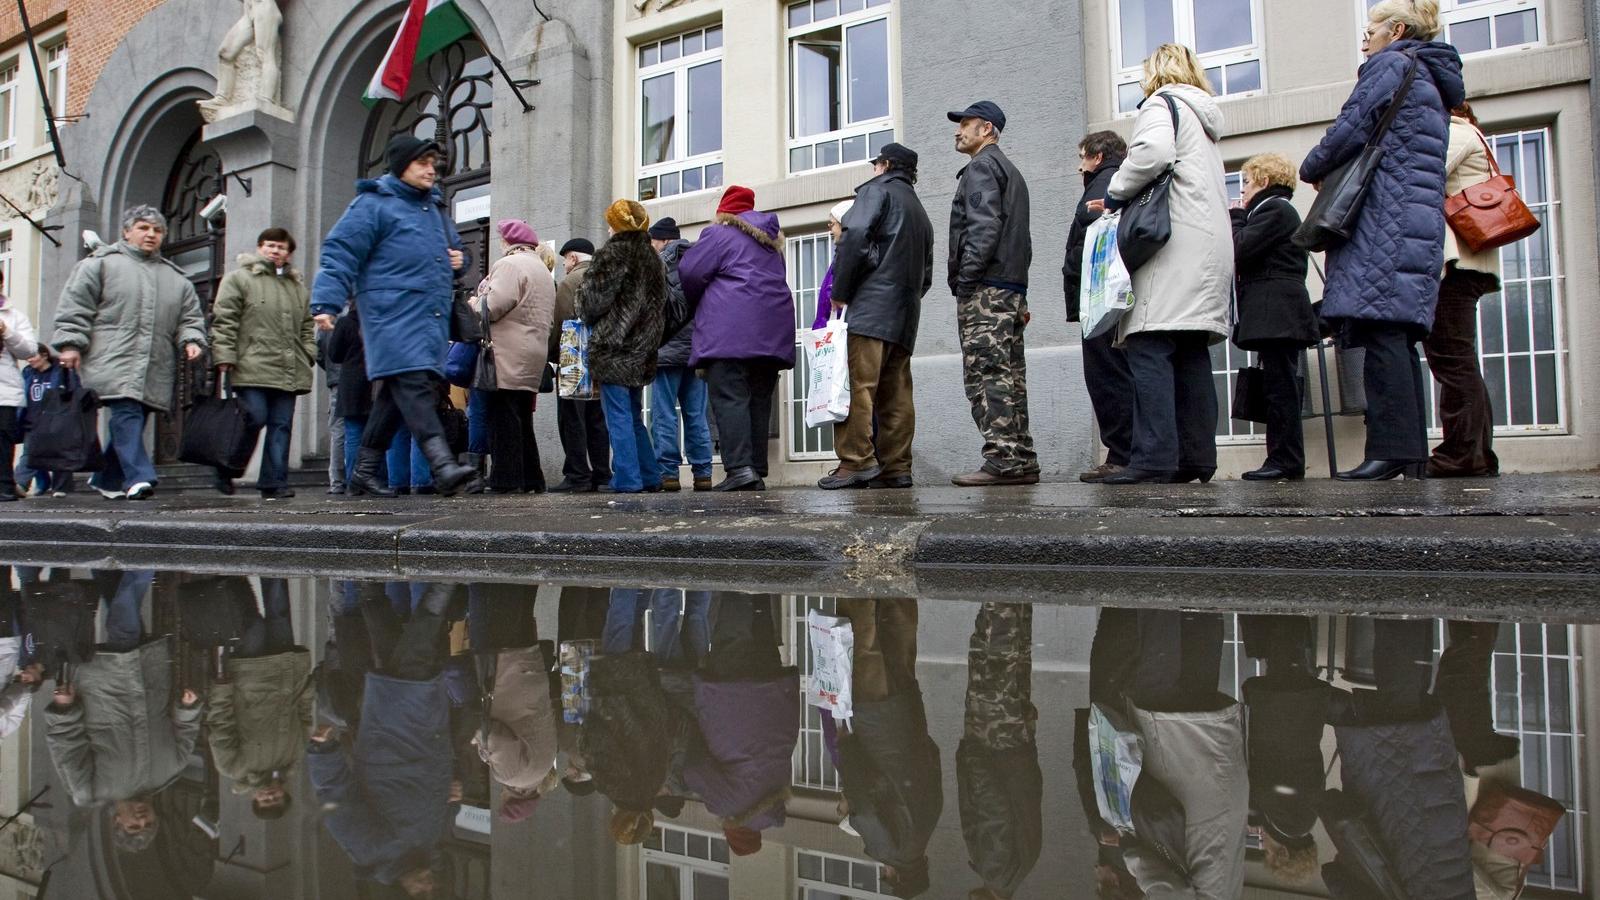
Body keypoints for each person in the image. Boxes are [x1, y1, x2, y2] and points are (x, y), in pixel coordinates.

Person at [1301, 0, 1464, 480]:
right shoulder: (1432, 78)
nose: (1364, 38)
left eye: (1370, 28)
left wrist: (1312, 167)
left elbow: (1350, 127)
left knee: (1382, 335)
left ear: (1396, 29)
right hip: (1410, 220)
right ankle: (1407, 453)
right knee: (1397, 335)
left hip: (1384, 221)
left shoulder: (1391, 64)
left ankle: (1389, 451)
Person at [310, 134, 477, 497]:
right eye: (422, 163)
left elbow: (460, 252)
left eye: (434, 163)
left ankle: (364, 472)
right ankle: (442, 465)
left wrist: (460, 260)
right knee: (415, 386)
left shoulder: (433, 209)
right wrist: (325, 302)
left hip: (428, 316)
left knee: (395, 395)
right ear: (401, 165)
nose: (431, 170)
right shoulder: (373, 204)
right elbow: (340, 252)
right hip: (389, 314)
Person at [1096, 45, 1232, 486]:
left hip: (1171, 246)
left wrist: (1116, 190)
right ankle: (1196, 457)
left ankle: (1154, 458)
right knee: (1191, 352)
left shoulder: (1161, 104)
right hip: (1208, 246)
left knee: (1149, 343)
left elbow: (1152, 154)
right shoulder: (1205, 120)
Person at [308, 581, 459, 896]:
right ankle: (369, 583)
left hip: (389, 738)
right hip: (425, 733)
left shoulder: (370, 852)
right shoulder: (429, 847)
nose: (428, 884)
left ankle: (443, 585)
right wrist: (455, 791)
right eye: (433, 888)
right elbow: (442, 803)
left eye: (421, 892)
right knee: (395, 651)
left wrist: (323, 753)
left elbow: (337, 800)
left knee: (415, 662)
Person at [52, 206, 207, 500]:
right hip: (112, 357)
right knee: (127, 413)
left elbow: (191, 318)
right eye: (143, 228)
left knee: (136, 415)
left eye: (157, 230)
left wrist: (192, 339)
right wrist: (71, 345)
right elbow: (76, 306)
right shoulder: (100, 264)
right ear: (126, 231)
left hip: (155, 364)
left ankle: (107, 479)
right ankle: (140, 476)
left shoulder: (176, 279)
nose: (151, 234)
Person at [45, 570, 202, 854]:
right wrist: (188, 708)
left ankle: (145, 555)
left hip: (105, 685)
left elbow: (66, 744)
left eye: (134, 826)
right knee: (121, 611)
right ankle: (110, 549)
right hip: (147, 676)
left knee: (124, 621)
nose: (142, 820)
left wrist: (64, 708)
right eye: (148, 824)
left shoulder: (88, 790)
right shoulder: (170, 771)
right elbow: (186, 730)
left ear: (117, 821)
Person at [819, 142, 934, 491]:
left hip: (870, 307)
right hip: (904, 311)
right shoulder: (919, 209)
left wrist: (840, 290)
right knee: (896, 393)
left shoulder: (875, 192)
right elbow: (926, 273)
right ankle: (896, 467)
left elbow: (853, 237)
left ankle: (855, 461)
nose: (872, 171)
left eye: (875, 165)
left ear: (884, 165)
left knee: (858, 386)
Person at [679, 186, 796, 492]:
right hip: (772, 331)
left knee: (730, 395)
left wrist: (696, 302)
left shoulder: (718, 234)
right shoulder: (773, 244)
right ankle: (755, 467)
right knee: (758, 398)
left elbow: (689, 273)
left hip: (730, 331)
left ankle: (740, 469)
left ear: (725, 213)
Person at [946, 101, 1038, 488]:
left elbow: (982, 230)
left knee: (987, 375)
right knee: (1010, 375)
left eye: (965, 124)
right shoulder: (1009, 171)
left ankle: (1003, 458)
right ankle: (1020, 459)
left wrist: (967, 283)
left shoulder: (982, 168)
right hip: (1010, 288)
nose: (957, 131)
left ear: (987, 129)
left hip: (988, 290)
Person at [835, 599, 941, 898]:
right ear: (896, 876)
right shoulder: (888, 849)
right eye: (887, 876)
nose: (884, 871)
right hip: (877, 727)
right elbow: (864, 805)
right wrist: (847, 747)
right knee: (865, 650)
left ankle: (897, 590)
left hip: (908, 719)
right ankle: (857, 587)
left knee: (900, 648)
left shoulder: (929, 824)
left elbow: (934, 759)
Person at [683, 597, 799, 855]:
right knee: (731, 630)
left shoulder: (778, 797)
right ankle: (738, 568)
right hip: (732, 698)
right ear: (734, 833)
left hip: (774, 696)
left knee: (761, 631)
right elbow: (694, 769)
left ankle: (762, 583)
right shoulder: (726, 805)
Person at [1230, 154, 1321, 481]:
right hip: (1277, 311)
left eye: (1248, 182)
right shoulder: (1277, 211)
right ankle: (1283, 459)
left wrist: (1237, 217)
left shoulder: (1274, 210)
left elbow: (1239, 249)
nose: (1244, 190)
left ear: (1264, 182)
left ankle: (1285, 460)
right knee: (1278, 385)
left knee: (1280, 387)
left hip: (1276, 311)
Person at [209, 227, 317, 499]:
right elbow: (225, 320)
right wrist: (224, 356)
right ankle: (227, 467)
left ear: (288, 253)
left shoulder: (297, 288)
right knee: (253, 419)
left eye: (281, 247)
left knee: (281, 426)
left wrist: (308, 352)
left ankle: (274, 481)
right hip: (250, 366)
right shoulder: (239, 279)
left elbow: (306, 326)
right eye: (270, 245)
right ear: (260, 248)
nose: (275, 251)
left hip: (288, 368)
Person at [1426, 102, 1502, 478]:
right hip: (1472, 263)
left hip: (1460, 264)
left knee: (1451, 358)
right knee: (1460, 359)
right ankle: (1476, 454)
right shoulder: (1475, 134)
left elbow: (1425, 174)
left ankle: (1461, 454)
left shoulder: (1456, 132)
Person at [204, 577, 313, 820]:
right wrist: (307, 686)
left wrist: (221, 689)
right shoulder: (294, 757)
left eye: (264, 800)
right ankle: (272, 561)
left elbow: (220, 723)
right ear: (284, 794)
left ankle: (238, 575)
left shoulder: (233, 767)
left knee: (253, 626)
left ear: (254, 798)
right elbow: (305, 714)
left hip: (250, 674)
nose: (269, 795)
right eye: (275, 798)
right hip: (285, 669)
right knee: (279, 612)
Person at [578, 200, 668, 494]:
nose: (607, 228)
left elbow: (592, 303)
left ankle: (627, 479)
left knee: (617, 416)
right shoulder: (654, 258)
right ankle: (650, 475)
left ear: (617, 225)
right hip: (642, 350)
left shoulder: (613, 253)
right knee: (631, 415)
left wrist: (583, 301)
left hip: (614, 347)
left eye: (610, 223)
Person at [1063, 131, 1136, 484]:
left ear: (1096, 155)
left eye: (1082, 157)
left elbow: (1090, 234)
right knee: (1119, 371)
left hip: (1100, 296)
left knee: (1107, 375)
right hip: (1113, 295)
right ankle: (1126, 451)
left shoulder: (1102, 183)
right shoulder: (1121, 180)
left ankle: (1121, 454)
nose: (1080, 166)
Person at [958, 603, 1042, 900]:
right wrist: (972, 757)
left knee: (1014, 659)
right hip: (994, 742)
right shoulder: (994, 870)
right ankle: (1001, 587)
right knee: (993, 657)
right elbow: (992, 805)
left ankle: (1016, 590)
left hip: (1016, 744)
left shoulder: (1022, 867)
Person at [472, 219, 557, 494]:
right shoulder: (542, 269)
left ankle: (506, 481)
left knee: (503, 418)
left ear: (507, 241)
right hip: (532, 353)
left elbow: (494, 306)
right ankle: (532, 478)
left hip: (508, 353)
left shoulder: (510, 265)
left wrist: (474, 303)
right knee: (521, 418)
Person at [650, 218, 714, 492]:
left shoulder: (658, 265)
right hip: (697, 349)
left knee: (664, 415)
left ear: (664, 240)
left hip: (665, 352)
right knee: (696, 414)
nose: (651, 246)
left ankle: (668, 474)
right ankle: (703, 473)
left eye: (653, 241)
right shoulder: (699, 261)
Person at [549, 238, 612, 493]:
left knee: (572, 419)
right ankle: (602, 474)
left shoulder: (571, 282)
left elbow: (561, 325)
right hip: (604, 358)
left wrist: (552, 356)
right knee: (598, 419)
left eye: (565, 259)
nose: (564, 264)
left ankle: (577, 475)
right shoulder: (607, 277)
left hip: (574, 359)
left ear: (573, 258)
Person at [325, 302, 373, 491]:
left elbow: (333, 354)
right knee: (374, 435)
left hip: (350, 383)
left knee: (352, 434)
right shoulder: (377, 320)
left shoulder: (344, 322)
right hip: (375, 381)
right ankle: (374, 477)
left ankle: (353, 480)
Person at [0, 280, 40, 502]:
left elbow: (29, 351)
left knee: (3, 440)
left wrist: (7, 332)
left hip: (4, 389)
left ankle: (5, 485)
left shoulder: (13, 316)